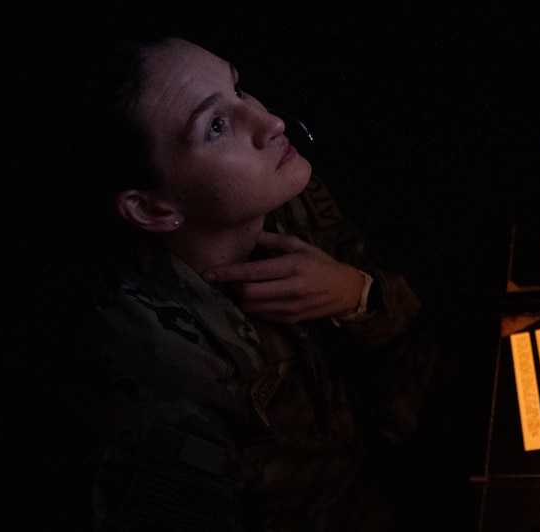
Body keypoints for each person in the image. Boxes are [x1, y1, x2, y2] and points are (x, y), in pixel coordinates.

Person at [73, 36, 450, 530]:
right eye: (216, 126)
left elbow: (410, 327)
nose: (270, 121)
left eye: (238, 89)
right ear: (153, 208)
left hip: (412, 458)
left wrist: (354, 293)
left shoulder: (280, 186)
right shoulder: (152, 367)